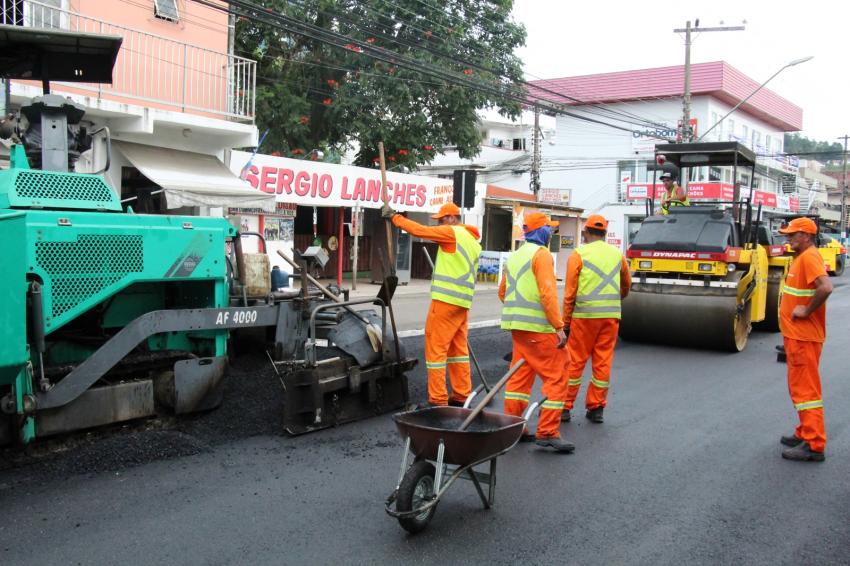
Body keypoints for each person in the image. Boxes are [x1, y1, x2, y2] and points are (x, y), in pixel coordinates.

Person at [382, 202, 482, 407]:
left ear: (452, 218)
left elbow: (420, 230)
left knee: (436, 349)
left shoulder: (452, 233)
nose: (440, 224)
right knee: (458, 351)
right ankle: (462, 395)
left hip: (445, 302)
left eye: (442, 220)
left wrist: (395, 218)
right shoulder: (472, 240)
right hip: (462, 303)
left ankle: (437, 400)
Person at [499, 212, 572, 453]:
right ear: (541, 231)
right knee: (558, 373)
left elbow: (503, 292)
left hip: (518, 328)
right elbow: (547, 294)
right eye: (549, 229)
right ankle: (548, 432)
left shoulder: (515, 256)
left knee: (520, 377)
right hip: (539, 329)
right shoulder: (541, 255)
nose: (551, 233)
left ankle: (513, 426)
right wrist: (558, 327)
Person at [561, 214, 631, 424]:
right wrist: (617, 298)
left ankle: (564, 407)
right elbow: (626, 284)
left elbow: (570, 293)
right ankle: (596, 408)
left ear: (586, 233)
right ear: (605, 233)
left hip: (584, 317)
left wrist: (565, 323)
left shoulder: (578, 254)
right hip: (610, 317)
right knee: (602, 362)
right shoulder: (617, 255)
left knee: (575, 362)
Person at [777, 217, 833, 462]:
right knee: (799, 388)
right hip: (797, 336)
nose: (788, 238)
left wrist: (806, 311)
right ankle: (805, 431)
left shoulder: (809, 258)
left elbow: (826, 287)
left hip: (803, 337)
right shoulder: (803, 257)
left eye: (793, 234)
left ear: (807, 236)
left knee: (805, 391)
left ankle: (814, 443)